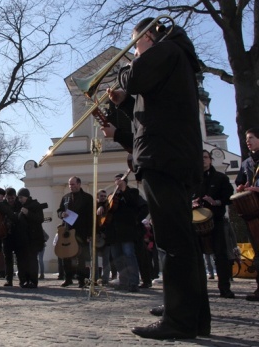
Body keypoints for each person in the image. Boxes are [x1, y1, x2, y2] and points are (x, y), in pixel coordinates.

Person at [102, 17, 210, 339]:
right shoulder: (175, 57)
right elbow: (150, 108)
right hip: (171, 155)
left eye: (135, 43)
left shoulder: (164, 51)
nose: (134, 50)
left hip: (162, 158)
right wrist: (125, 103)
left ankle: (179, 321)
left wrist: (134, 61)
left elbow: (134, 79)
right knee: (183, 242)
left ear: (148, 36)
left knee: (173, 243)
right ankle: (193, 315)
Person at [192, 150, 235, 298]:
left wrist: (215, 202)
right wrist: (191, 203)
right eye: (200, 158)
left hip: (215, 221)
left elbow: (229, 197)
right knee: (195, 257)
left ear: (210, 160)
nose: (202, 160)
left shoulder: (220, 178)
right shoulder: (192, 179)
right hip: (195, 223)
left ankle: (225, 288)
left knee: (221, 255)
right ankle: (199, 289)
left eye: (205, 157)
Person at [99, 174, 141, 293]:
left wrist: (124, 189)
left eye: (119, 181)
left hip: (127, 231)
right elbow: (107, 207)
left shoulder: (133, 192)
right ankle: (123, 282)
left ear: (124, 182)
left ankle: (133, 282)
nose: (117, 182)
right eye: (115, 180)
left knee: (129, 256)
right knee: (117, 258)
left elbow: (134, 203)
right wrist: (101, 207)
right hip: (114, 233)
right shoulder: (112, 196)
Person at [235, 127, 259, 301]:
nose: (248, 141)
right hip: (253, 211)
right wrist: (242, 188)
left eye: (251, 138)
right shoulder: (246, 163)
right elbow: (240, 182)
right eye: (246, 139)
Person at [56, 176, 94, 288]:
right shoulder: (65, 197)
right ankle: (68, 278)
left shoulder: (87, 198)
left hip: (81, 231)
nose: (71, 186)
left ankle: (82, 280)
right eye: (69, 184)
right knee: (66, 255)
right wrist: (61, 214)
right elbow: (59, 210)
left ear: (79, 184)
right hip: (67, 230)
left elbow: (90, 217)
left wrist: (89, 234)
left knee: (81, 257)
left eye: (73, 184)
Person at [15, 188, 45, 288]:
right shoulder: (18, 206)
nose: (20, 199)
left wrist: (28, 213)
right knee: (22, 260)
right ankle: (24, 280)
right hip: (22, 238)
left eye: (21, 197)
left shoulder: (36, 205)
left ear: (26, 197)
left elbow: (40, 219)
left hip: (33, 238)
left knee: (32, 260)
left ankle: (33, 281)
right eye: (18, 197)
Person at [2, 187, 22, 286]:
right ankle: (9, 279)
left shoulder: (19, 204)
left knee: (19, 257)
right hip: (6, 234)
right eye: (8, 198)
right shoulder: (3, 205)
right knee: (8, 258)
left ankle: (21, 279)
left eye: (12, 198)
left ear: (15, 197)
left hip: (18, 234)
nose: (10, 200)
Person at [95, 189, 112, 285]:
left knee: (106, 259)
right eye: (101, 196)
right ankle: (95, 278)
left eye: (104, 196)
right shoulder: (93, 207)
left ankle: (105, 279)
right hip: (95, 235)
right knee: (94, 260)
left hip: (105, 237)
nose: (103, 198)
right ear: (97, 196)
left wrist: (102, 206)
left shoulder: (108, 205)